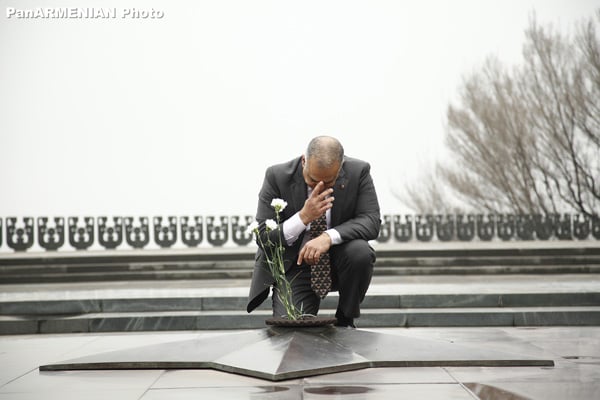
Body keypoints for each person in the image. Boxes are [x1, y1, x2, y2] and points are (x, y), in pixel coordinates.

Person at [246, 136, 381, 328]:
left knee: (360, 252)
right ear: (304, 162)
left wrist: (328, 237)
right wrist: (303, 217)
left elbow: (371, 221)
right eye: (313, 180)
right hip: (295, 265)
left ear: (340, 168)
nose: (320, 187)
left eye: (329, 182)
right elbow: (263, 236)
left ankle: (345, 318)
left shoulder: (359, 172)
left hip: (339, 261)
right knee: (291, 329)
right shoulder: (276, 176)